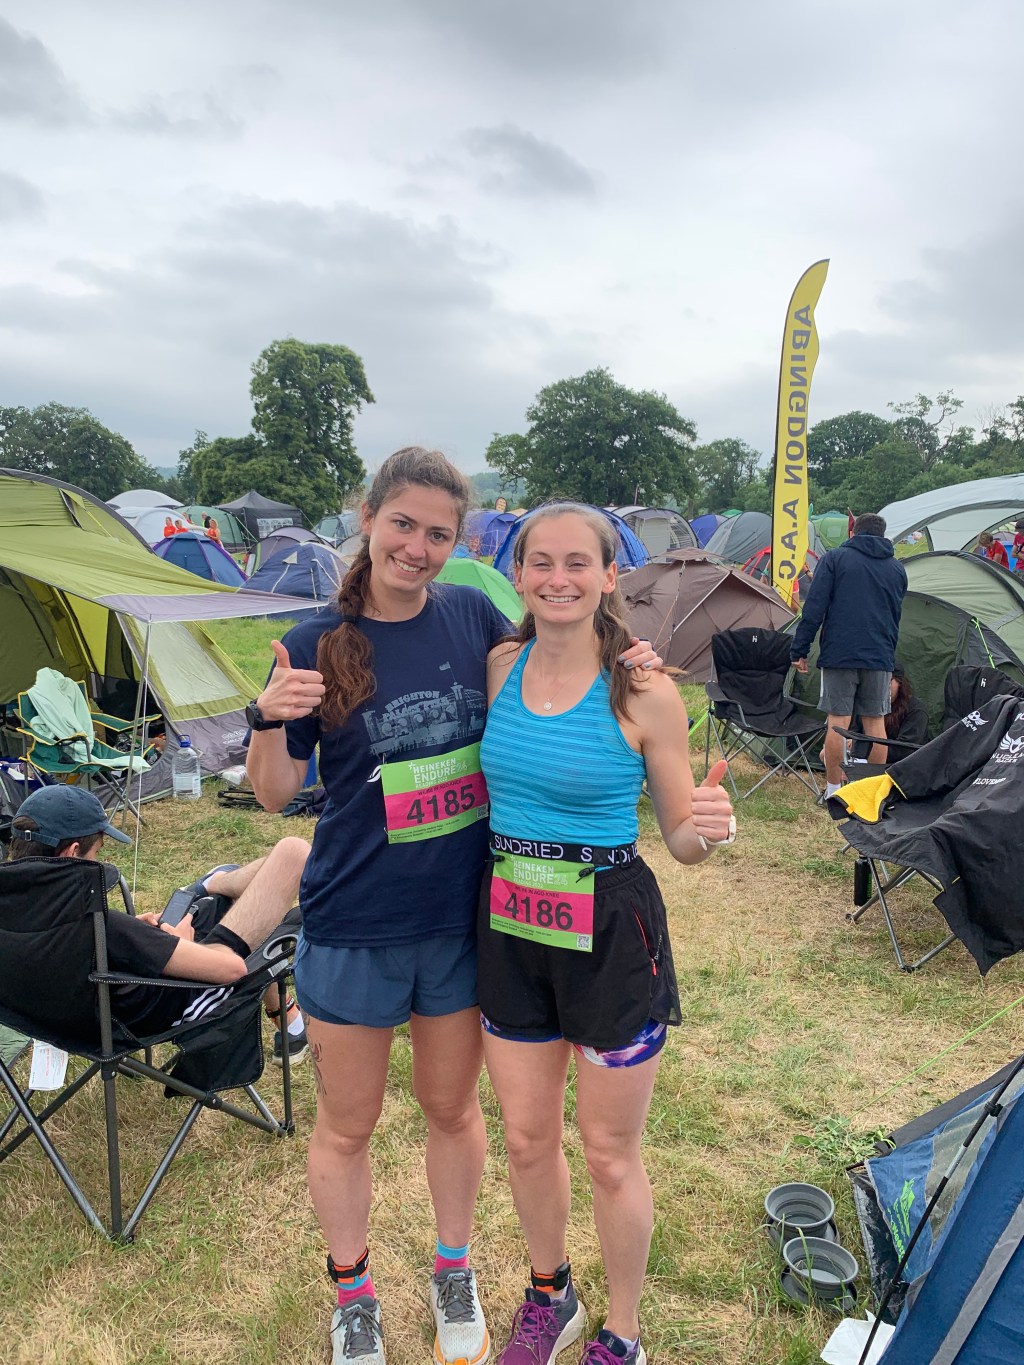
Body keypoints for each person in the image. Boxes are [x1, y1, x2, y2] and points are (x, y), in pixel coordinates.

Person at [246, 449, 658, 1365]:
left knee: (452, 1108)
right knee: (347, 1124)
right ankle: (353, 1293)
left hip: (467, 923)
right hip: (353, 923)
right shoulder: (314, 642)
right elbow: (274, 793)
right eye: (403, 524)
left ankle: (453, 1267)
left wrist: (633, 659)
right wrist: (267, 716)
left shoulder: (473, 617)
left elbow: (563, 648)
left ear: (459, 543)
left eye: (439, 533)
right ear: (367, 518)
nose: (418, 547)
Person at [476, 503, 735, 1365]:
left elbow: (682, 840)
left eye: (577, 562)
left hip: (610, 929)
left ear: (609, 574)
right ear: (519, 574)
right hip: (511, 921)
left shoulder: (645, 691)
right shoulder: (500, 666)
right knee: (525, 1139)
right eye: (541, 562)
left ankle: (623, 1330)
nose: (558, 578)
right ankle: (551, 1294)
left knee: (610, 1154)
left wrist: (710, 826)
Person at [7, 786, 310, 1042]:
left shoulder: (12, 913)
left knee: (213, 898)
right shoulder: (105, 928)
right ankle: (213, 884)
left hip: (65, 1022)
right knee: (293, 854)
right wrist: (183, 942)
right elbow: (232, 969)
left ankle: (213, 883)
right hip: (173, 1003)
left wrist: (132, 933)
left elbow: (72, 949)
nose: (99, 860)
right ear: (72, 853)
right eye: (97, 852)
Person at [790, 513, 908, 799]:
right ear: (883, 536)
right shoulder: (897, 569)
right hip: (880, 656)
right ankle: (871, 793)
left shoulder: (834, 559)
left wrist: (800, 648)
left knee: (838, 722)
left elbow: (814, 606)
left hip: (840, 654)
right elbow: (895, 617)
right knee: (876, 723)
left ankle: (833, 791)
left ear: (853, 533)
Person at [851, 663, 929, 761]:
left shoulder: (916, 711)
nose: (881, 687)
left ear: (900, 682)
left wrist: (862, 748)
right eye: (876, 682)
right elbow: (854, 732)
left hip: (902, 765)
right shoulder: (867, 705)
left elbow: (904, 749)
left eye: (887, 682)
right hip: (862, 760)